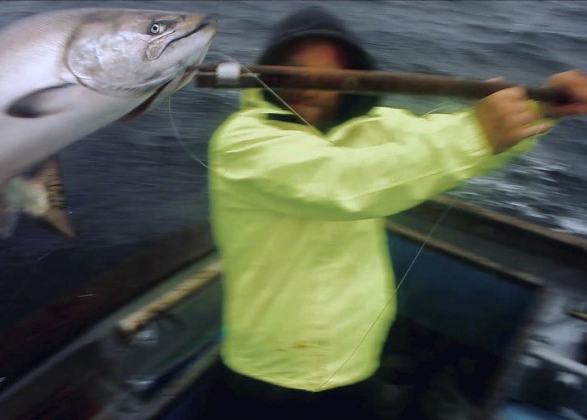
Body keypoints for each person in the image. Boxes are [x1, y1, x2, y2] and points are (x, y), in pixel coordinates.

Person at [201, 6, 587, 419]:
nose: (308, 87)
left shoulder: (368, 127)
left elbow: (439, 135)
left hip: (356, 357)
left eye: (327, 76)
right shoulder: (243, 142)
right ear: (267, 71)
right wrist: (477, 134)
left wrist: (536, 110)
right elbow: (343, 181)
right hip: (273, 374)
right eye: (293, 69)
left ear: (350, 80)